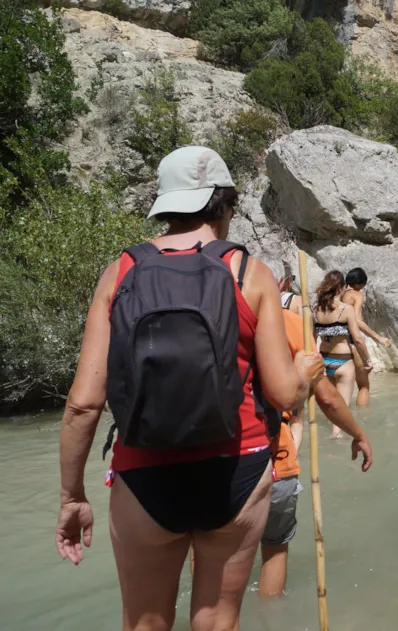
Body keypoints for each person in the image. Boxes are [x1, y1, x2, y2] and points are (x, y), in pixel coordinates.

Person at [54, 146, 373, 631]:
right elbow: (285, 396)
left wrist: (72, 495)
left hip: (144, 473)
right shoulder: (251, 273)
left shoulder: (120, 273)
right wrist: (307, 373)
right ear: (223, 205)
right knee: (218, 619)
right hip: (238, 471)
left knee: (144, 622)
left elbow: (83, 405)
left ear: (163, 206)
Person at [259, 304, 369, 598]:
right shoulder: (288, 321)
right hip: (273, 459)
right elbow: (329, 401)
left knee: (212, 555)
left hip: (211, 460)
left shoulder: (201, 316)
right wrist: (358, 434)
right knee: (273, 550)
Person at [313, 270, 372, 436]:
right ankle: (336, 437)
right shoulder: (346, 310)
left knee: (330, 405)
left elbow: (311, 339)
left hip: (324, 360)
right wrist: (367, 360)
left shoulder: (315, 310)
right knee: (342, 409)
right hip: (343, 362)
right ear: (340, 288)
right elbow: (358, 339)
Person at [341, 267, 392, 407]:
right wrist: (378, 338)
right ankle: (363, 421)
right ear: (359, 283)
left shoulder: (338, 294)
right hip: (352, 342)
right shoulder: (356, 295)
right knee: (363, 386)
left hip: (335, 346)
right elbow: (356, 320)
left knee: (339, 389)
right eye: (363, 285)